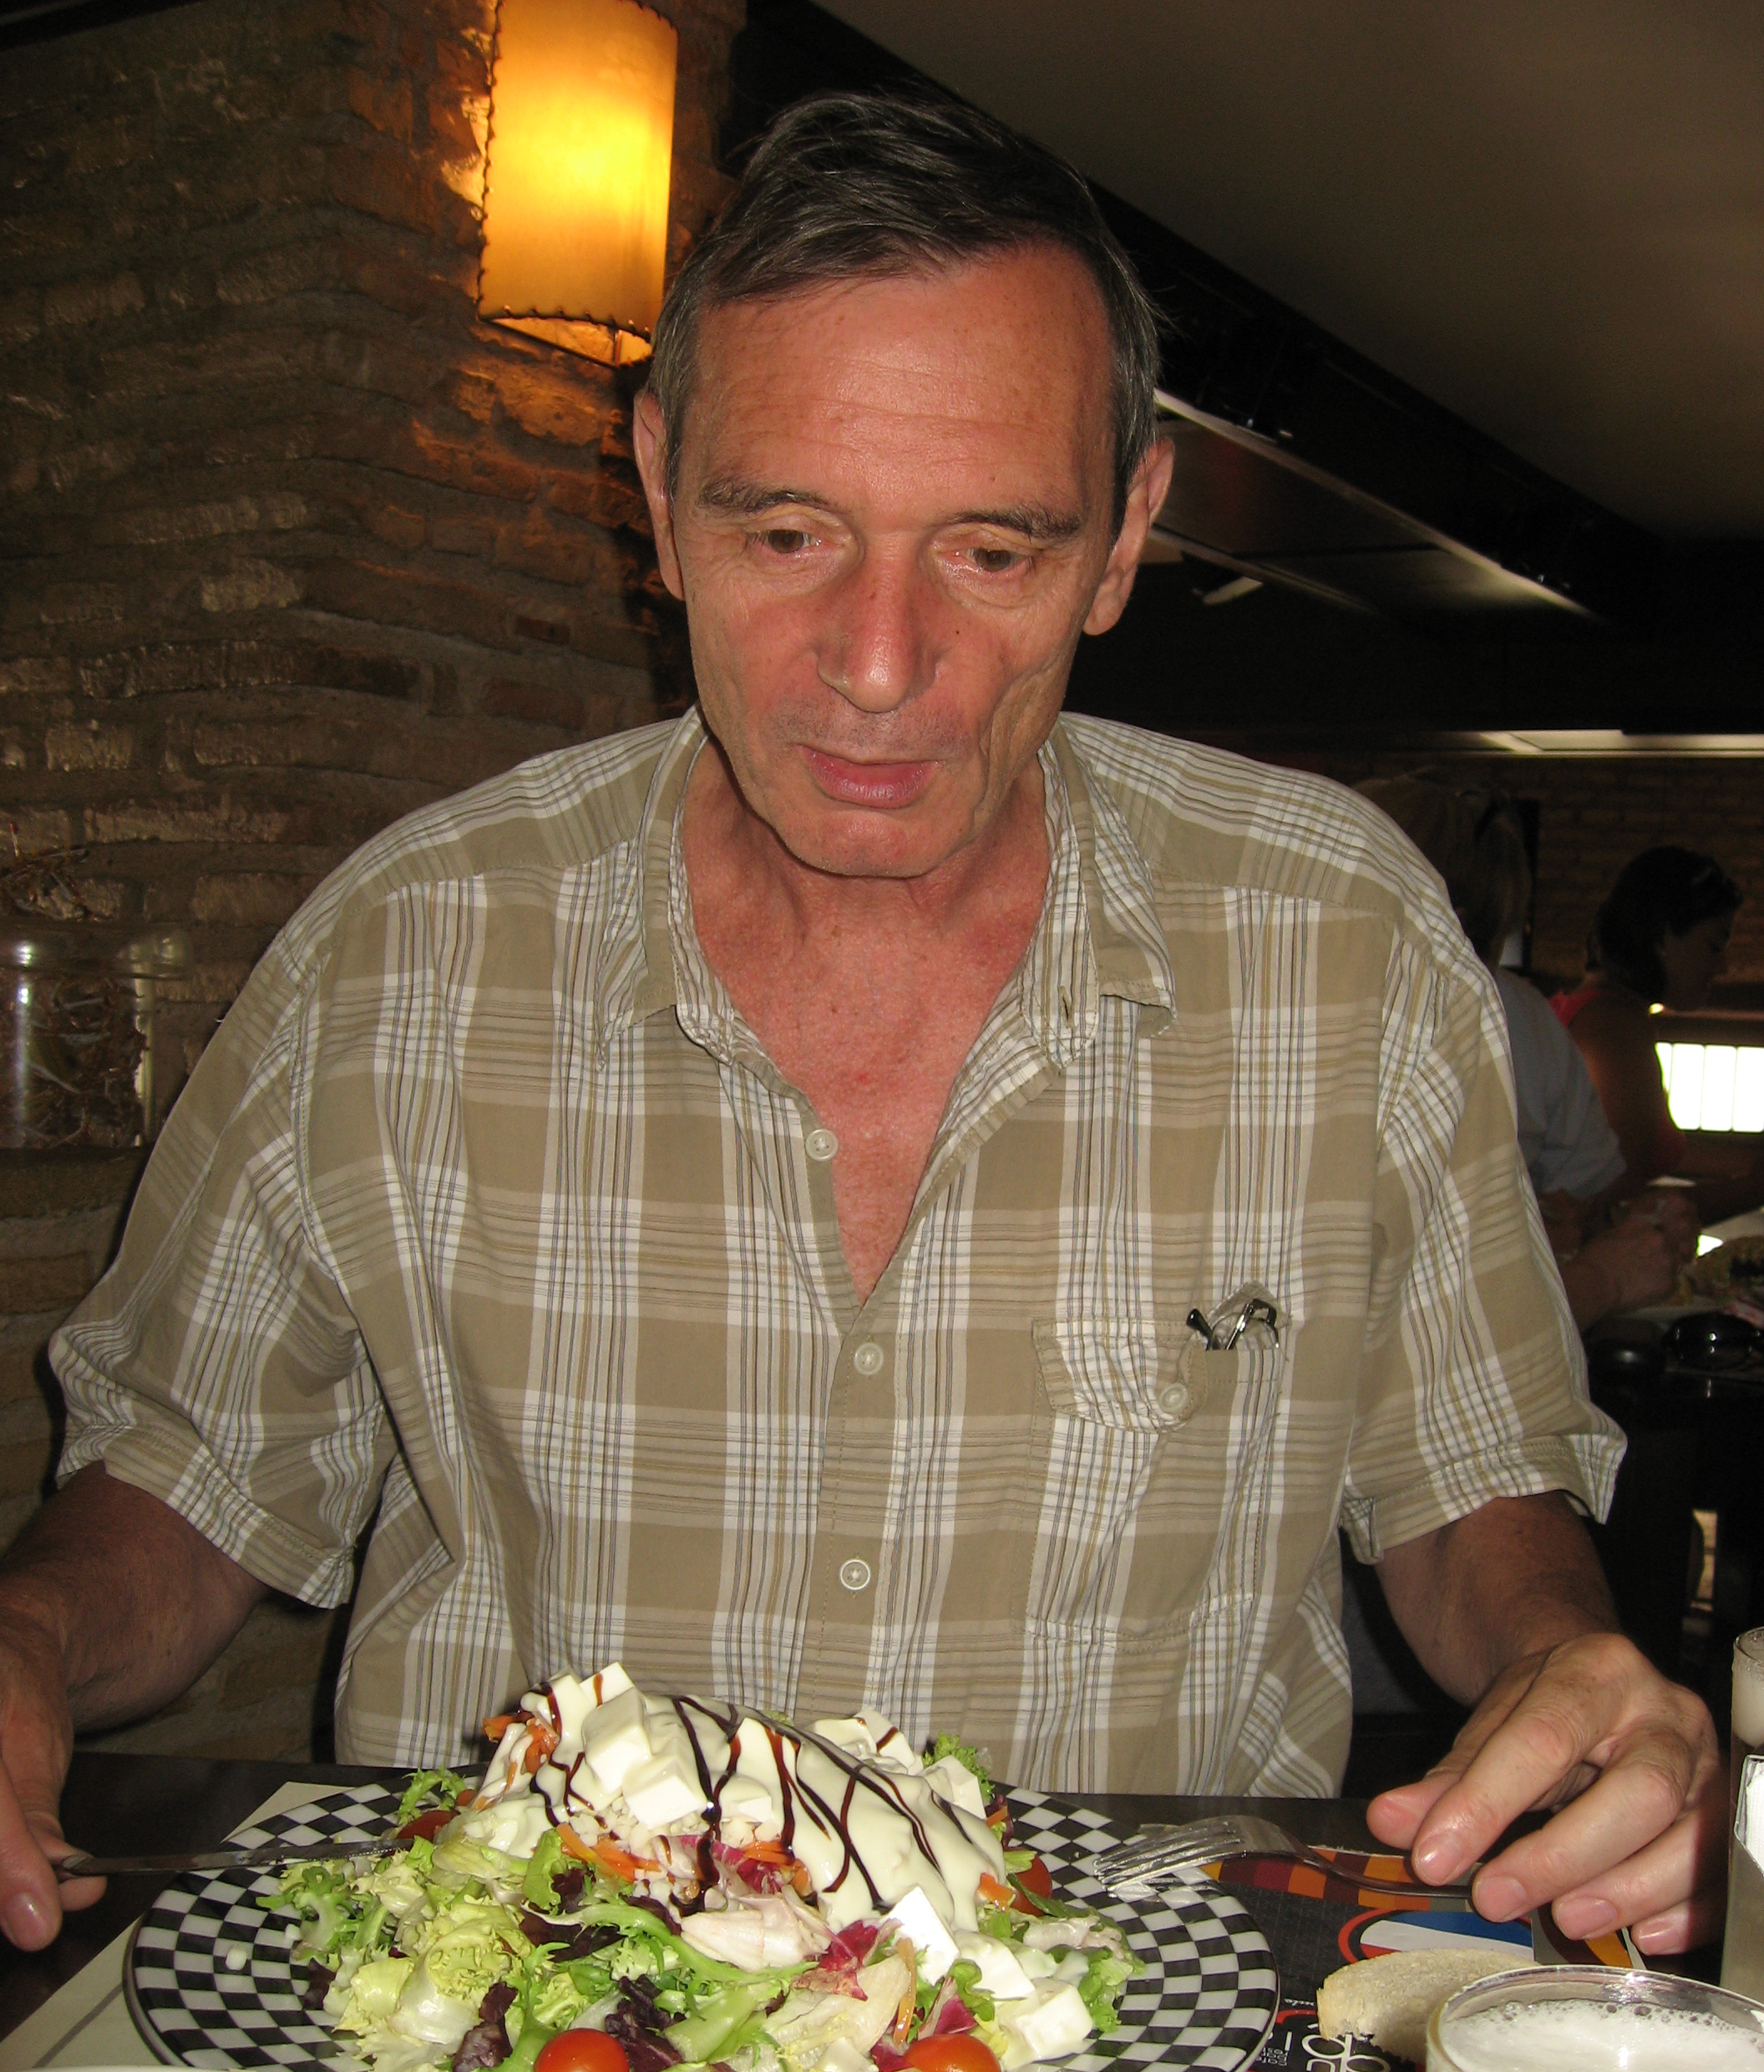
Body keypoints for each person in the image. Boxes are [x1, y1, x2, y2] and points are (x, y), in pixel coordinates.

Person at [0, 94, 1721, 1963]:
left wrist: (1565, 1658)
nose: (879, 665)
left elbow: (1465, 1473)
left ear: (1125, 535)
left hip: (1118, 2041)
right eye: (788, 531)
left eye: (991, 552)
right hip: (515, 2041)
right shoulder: (403, 945)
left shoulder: (1344, 937)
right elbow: (190, 1469)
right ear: (658, 488)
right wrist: (23, 1643)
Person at [1362, 779, 1694, 1327]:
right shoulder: (1321, 1025)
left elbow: (1585, 1195)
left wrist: (1613, 1224)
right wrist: (1598, 1273)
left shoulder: (1523, 1019)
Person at [1556, 847, 1764, 1223]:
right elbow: (1619, 1208)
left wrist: (1751, 1165)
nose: (1722, 966)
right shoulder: (1612, 1027)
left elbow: (1657, 1147)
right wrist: (1750, 1191)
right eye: (1714, 946)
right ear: (1663, 938)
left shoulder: (1602, 1012)